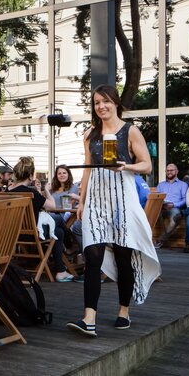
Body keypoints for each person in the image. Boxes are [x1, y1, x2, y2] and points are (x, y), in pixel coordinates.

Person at [66, 85, 160, 337]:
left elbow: (147, 165)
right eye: (96, 103)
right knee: (92, 257)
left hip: (122, 199)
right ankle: (89, 318)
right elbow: (87, 169)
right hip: (96, 200)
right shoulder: (90, 134)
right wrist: (82, 201)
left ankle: (123, 310)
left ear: (116, 103)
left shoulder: (130, 131)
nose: (101, 107)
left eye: (105, 101)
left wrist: (126, 166)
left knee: (122, 257)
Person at [6, 157, 73, 282]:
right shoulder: (30, 194)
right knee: (58, 219)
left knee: (59, 232)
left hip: (14, 234)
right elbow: (52, 206)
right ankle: (68, 251)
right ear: (31, 175)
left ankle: (61, 270)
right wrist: (46, 190)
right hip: (32, 235)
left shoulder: (7, 192)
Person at [154, 163, 188, 248]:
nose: (169, 172)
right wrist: (160, 204)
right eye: (167, 170)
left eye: (171, 170)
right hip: (161, 208)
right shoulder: (161, 185)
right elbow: (157, 197)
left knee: (175, 218)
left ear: (177, 171)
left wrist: (174, 204)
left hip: (174, 208)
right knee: (148, 215)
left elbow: (185, 199)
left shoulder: (183, 185)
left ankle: (160, 240)